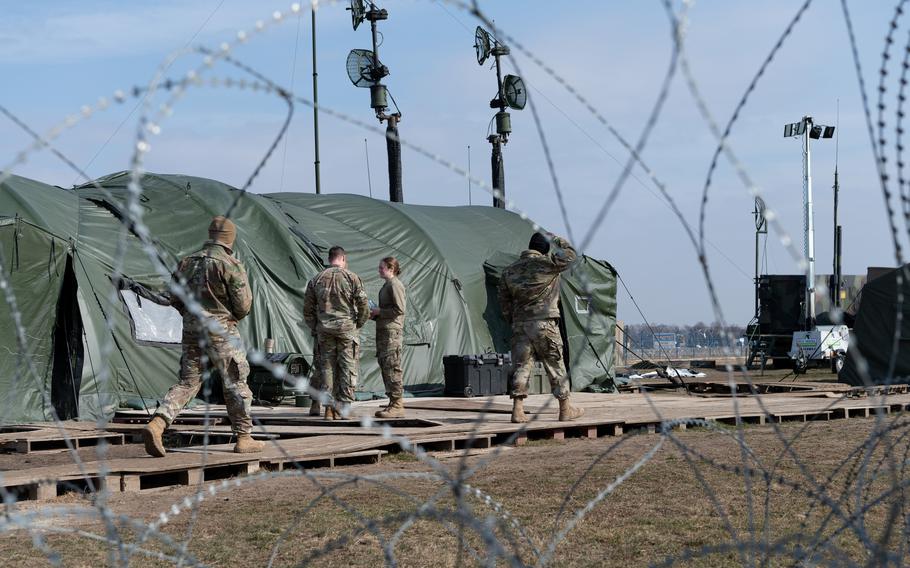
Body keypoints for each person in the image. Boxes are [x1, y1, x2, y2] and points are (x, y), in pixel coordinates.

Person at [142, 216, 264, 456]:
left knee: (188, 382)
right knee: (235, 382)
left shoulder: (186, 262)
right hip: (221, 332)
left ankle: (158, 423)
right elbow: (243, 306)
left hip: (191, 331)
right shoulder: (231, 264)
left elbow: (174, 298)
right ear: (230, 239)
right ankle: (244, 437)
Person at [498, 232, 584, 424]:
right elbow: (571, 255)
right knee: (555, 366)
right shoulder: (547, 265)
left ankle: (517, 410)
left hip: (520, 325)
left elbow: (504, 302)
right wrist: (558, 240)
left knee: (521, 367)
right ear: (545, 250)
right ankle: (565, 409)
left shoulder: (509, 271)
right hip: (545, 324)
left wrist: (513, 320)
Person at [303, 246, 370, 419]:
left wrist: (315, 327)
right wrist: (358, 324)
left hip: (324, 330)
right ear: (343, 259)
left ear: (330, 258)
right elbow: (364, 306)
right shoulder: (352, 278)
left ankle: (328, 408)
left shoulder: (316, 279)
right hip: (347, 329)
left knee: (327, 369)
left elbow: (307, 310)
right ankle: (344, 407)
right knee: (347, 367)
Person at [371, 256, 407, 418]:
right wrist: (375, 315)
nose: (379, 270)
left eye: (382, 267)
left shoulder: (395, 285)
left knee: (392, 366)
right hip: (385, 331)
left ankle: (398, 404)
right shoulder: (388, 285)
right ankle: (393, 402)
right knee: (386, 366)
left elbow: (399, 310)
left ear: (391, 269)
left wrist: (380, 312)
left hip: (392, 333)